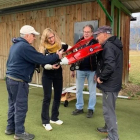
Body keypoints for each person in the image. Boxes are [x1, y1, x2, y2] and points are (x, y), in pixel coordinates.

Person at [5, 25, 63, 140]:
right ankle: (19, 132)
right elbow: (42, 59)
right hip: (19, 81)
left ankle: (10, 128)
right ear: (27, 36)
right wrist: (57, 55)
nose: (34, 38)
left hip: (10, 79)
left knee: (13, 105)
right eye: (33, 35)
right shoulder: (25, 47)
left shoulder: (15, 45)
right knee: (20, 107)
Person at [94, 25, 123, 140]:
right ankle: (107, 127)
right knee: (110, 108)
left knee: (108, 110)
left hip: (110, 84)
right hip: (113, 83)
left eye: (98, 35)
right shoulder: (113, 44)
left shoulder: (109, 46)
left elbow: (110, 66)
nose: (97, 37)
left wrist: (101, 77)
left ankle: (113, 137)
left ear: (105, 34)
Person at [39, 28, 68, 131]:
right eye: (49, 38)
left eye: (52, 36)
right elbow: (43, 64)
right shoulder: (43, 49)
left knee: (57, 96)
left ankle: (54, 118)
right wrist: (51, 67)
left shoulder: (61, 45)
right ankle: (45, 121)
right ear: (45, 39)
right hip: (47, 74)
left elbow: (71, 49)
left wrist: (66, 59)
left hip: (58, 74)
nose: (51, 39)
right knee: (47, 98)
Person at [71, 24, 99, 118]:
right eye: (85, 32)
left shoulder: (95, 42)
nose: (86, 33)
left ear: (92, 33)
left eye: (88, 32)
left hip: (92, 70)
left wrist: (98, 72)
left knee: (92, 91)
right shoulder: (79, 42)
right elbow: (74, 55)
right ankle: (79, 107)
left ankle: (91, 109)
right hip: (80, 70)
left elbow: (99, 58)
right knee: (78, 90)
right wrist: (73, 69)